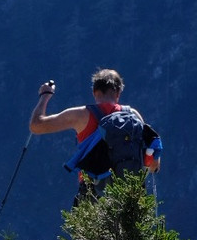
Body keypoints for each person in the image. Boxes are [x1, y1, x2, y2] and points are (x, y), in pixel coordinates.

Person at [29, 69, 162, 202]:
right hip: (129, 195)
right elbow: (153, 165)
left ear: (94, 92)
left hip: (93, 192)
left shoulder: (81, 115)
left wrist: (45, 95)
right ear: (118, 93)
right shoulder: (134, 116)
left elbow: (36, 125)